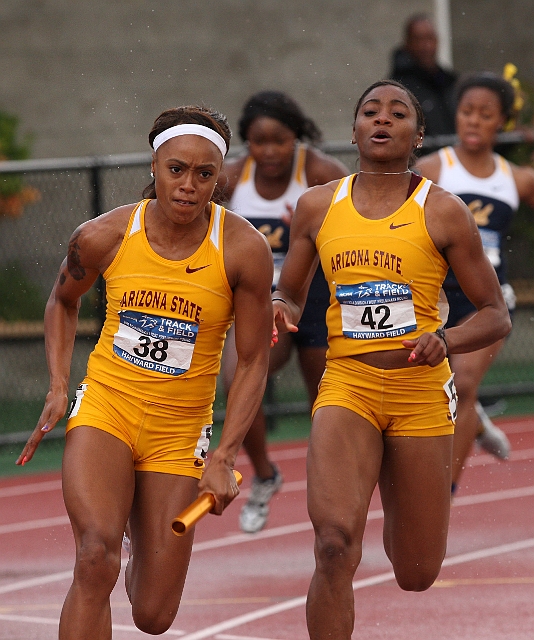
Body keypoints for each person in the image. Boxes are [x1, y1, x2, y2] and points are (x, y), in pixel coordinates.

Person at [15, 106, 274, 638]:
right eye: (176, 169)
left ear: (218, 179)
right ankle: (114, 540)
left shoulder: (243, 248)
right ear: (154, 167)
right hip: (107, 405)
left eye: (204, 175)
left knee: (155, 616)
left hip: (181, 431)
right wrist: (59, 386)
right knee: (94, 556)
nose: (188, 185)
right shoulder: (102, 235)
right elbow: (62, 301)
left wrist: (224, 456)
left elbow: (252, 360)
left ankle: (140, 545)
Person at [272, 80, 511, 639]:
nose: (382, 119)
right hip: (347, 385)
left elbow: (494, 313)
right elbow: (291, 291)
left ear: (418, 135)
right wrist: (279, 307)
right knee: (332, 546)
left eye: (398, 113)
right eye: (370, 112)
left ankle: (395, 490)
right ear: (354, 129)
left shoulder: (444, 212)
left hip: (419, 391)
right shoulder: (316, 206)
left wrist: (447, 341)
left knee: (417, 571)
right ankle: (355, 502)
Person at [218, 91, 348, 533]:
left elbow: (360, 223)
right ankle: (265, 475)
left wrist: (317, 228)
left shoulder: (321, 173)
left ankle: (336, 493)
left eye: (280, 140)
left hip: (316, 298)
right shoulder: (232, 179)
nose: (270, 151)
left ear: (297, 135)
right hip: (259, 301)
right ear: (247, 143)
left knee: (327, 405)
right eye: (259, 141)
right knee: (238, 381)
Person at [416, 72, 534, 492]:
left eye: (486, 115)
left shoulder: (516, 178)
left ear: (501, 123)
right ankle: (476, 420)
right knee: (435, 383)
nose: (473, 122)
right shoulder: (433, 169)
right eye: (467, 112)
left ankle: (443, 491)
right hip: (437, 295)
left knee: (463, 384)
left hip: (487, 297)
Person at [389, 13, 457, 140]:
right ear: (407, 43)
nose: (426, 46)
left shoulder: (449, 83)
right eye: (419, 39)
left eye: (430, 38)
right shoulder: (397, 88)